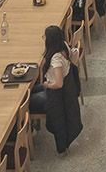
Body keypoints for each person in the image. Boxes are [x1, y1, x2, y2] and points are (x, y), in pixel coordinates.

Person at [28, 26, 83, 154]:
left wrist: (47, 85)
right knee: (30, 89)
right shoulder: (63, 45)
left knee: (26, 101)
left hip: (55, 95)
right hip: (60, 91)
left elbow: (58, 83)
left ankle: (30, 130)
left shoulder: (55, 59)